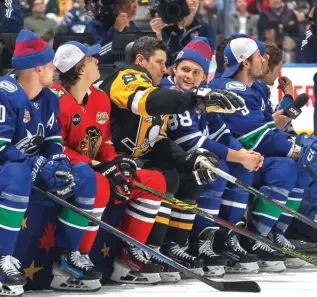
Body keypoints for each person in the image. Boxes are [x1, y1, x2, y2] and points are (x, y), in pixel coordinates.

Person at [96, 36, 245, 279]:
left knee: (185, 174)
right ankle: (135, 253)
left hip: (130, 158)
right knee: (164, 178)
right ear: (140, 60)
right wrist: (196, 101)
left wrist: (188, 158)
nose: (164, 69)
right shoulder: (127, 76)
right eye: (160, 62)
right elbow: (145, 102)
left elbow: (156, 140)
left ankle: (163, 248)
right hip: (107, 159)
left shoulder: (158, 90)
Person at [52, 40, 168, 285]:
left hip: (96, 166)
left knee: (153, 180)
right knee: (98, 184)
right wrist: (97, 165)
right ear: (80, 68)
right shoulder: (55, 100)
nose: (97, 62)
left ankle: (130, 256)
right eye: (92, 58)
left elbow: (104, 142)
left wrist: (117, 162)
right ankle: (73, 257)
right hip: (68, 171)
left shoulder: (100, 98)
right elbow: (56, 148)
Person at [0, 29, 102, 297]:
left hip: (28, 164)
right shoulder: (5, 94)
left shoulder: (48, 99)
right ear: (36, 69)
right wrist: (33, 164)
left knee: (82, 175)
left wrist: (55, 159)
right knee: (17, 173)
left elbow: (53, 138)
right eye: (48, 65)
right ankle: (2, 258)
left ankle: (67, 257)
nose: (54, 70)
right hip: (9, 167)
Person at [161, 36, 264, 275]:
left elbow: (220, 131)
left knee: (240, 170)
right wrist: (239, 157)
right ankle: (199, 240)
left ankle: (224, 238)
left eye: (196, 72)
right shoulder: (170, 92)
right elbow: (190, 140)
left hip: (195, 156)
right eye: (184, 69)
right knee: (217, 170)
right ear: (174, 68)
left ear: (204, 76)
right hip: (174, 158)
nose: (189, 75)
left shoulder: (201, 94)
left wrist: (243, 153)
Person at [209, 37, 312, 269]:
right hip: (235, 157)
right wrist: (297, 149)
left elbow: (271, 125)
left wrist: (289, 103)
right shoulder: (228, 88)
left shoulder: (256, 88)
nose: (264, 60)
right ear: (246, 62)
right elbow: (255, 137)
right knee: (287, 164)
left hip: (252, 155)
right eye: (260, 56)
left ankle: (272, 234)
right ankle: (243, 237)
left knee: (298, 167)